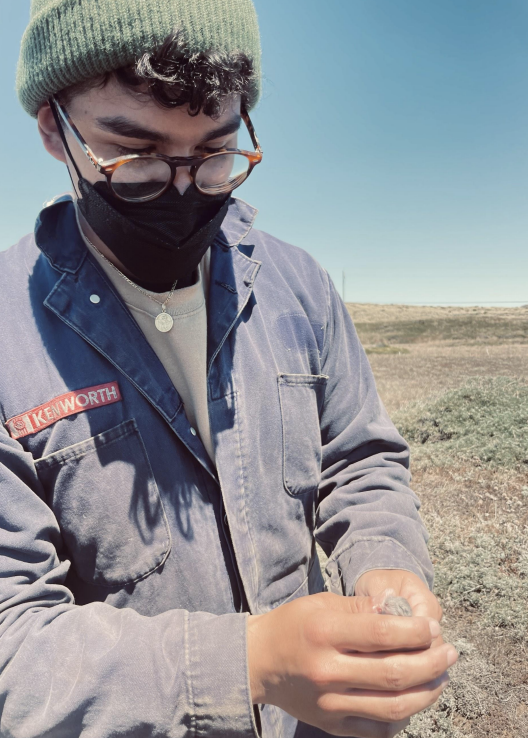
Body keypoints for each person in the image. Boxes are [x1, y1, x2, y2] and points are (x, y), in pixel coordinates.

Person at [0, 1, 457, 736]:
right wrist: (248, 665)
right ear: (55, 129)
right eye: (136, 156)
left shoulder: (298, 284)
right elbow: (10, 646)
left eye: (214, 154)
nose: (182, 191)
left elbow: (361, 458)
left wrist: (384, 561)